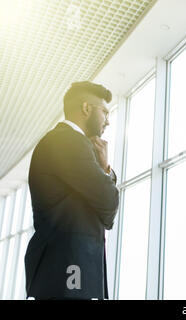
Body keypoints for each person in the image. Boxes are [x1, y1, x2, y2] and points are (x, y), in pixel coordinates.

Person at [24, 81, 119, 300]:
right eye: (104, 112)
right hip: (69, 264)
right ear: (86, 108)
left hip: (63, 265)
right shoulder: (68, 141)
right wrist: (105, 169)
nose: (108, 120)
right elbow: (108, 203)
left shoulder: (63, 141)